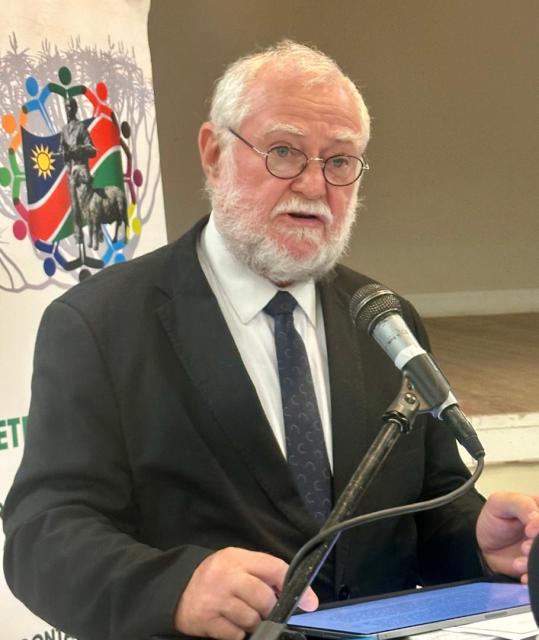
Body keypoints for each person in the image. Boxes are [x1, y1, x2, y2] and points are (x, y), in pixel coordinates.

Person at [3, 41, 539, 640]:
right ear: (213, 153)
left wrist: (478, 539)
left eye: (340, 161)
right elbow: (43, 536)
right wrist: (174, 588)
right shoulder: (101, 324)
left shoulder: (385, 320)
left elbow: (429, 501)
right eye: (284, 152)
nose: (313, 185)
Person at [58, 96, 96, 243]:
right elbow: (60, 148)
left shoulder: (81, 127)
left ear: (75, 109)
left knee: (86, 205)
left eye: (70, 107)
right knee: (75, 206)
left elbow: (92, 150)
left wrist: (79, 149)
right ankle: (78, 237)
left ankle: (94, 234)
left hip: (82, 170)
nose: (67, 110)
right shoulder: (64, 130)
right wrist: (64, 153)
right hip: (71, 172)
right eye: (66, 107)